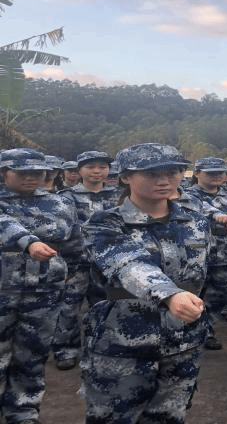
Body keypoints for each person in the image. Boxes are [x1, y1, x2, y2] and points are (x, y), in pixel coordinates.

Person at [80, 143, 210, 424]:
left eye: (173, 172)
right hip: (123, 341)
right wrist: (170, 294)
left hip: (182, 341)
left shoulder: (196, 222)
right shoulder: (103, 223)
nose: (164, 181)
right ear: (126, 177)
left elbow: (201, 276)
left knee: (170, 416)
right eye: (152, 174)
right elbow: (127, 264)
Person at [0, 148, 79, 424]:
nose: (30, 177)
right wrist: (28, 242)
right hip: (2, 291)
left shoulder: (58, 204)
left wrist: (70, 271)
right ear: (4, 173)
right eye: (22, 172)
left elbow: (74, 242)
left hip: (44, 292)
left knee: (32, 355)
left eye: (37, 172)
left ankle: (23, 412)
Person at [53, 150, 118, 370]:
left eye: (102, 167)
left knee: (105, 306)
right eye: (91, 167)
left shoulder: (117, 196)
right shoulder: (66, 197)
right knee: (69, 307)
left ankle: (100, 347)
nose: (97, 171)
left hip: (107, 264)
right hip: (76, 263)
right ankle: (65, 350)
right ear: (79, 170)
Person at [185, 157, 227, 346]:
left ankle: (206, 326)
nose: (216, 176)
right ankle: (198, 331)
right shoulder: (187, 195)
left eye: (220, 173)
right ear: (197, 174)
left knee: (218, 294)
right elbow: (201, 209)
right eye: (211, 173)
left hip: (226, 253)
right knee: (195, 293)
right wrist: (217, 215)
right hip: (197, 254)